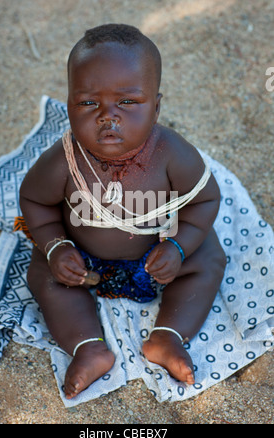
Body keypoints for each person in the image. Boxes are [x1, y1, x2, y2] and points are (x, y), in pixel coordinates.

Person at [19, 24, 226, 399]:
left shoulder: (170, 154)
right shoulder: (65, 160)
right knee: (43, 274)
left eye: (128, 102)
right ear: (68, 105)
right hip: (85, 263)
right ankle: (87, 346)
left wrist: (179, 247)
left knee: (209, 257)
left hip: (155, 258)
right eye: (87, 103)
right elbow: (35, 202)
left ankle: (168, 336)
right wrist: (55, 248)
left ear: (157, 106)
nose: (107, 116)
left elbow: (204, 201)